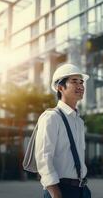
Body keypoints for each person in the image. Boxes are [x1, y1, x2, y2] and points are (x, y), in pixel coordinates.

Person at [35, 63, 91, 198]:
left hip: (82, 190)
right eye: (74, 82)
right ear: (60, 87)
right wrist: (55, 193)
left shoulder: (79, 121)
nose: (80, 86)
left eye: (81, 82)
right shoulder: (51, 117)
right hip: (61, 190)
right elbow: (44, 157)